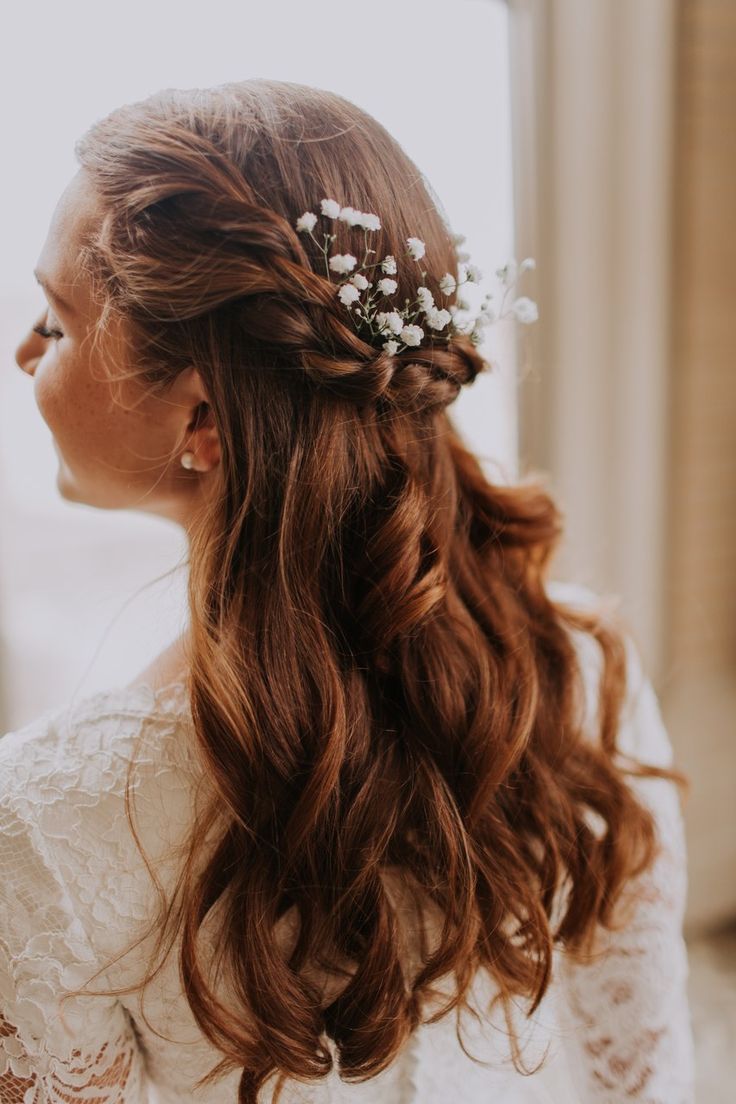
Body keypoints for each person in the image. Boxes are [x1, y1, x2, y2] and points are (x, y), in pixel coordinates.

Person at [4, 79, 694, 1103]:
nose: (21, 352)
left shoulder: (44, 827)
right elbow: (641, 1069)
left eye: (56, 324)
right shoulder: (581, 663)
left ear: (203, 422)